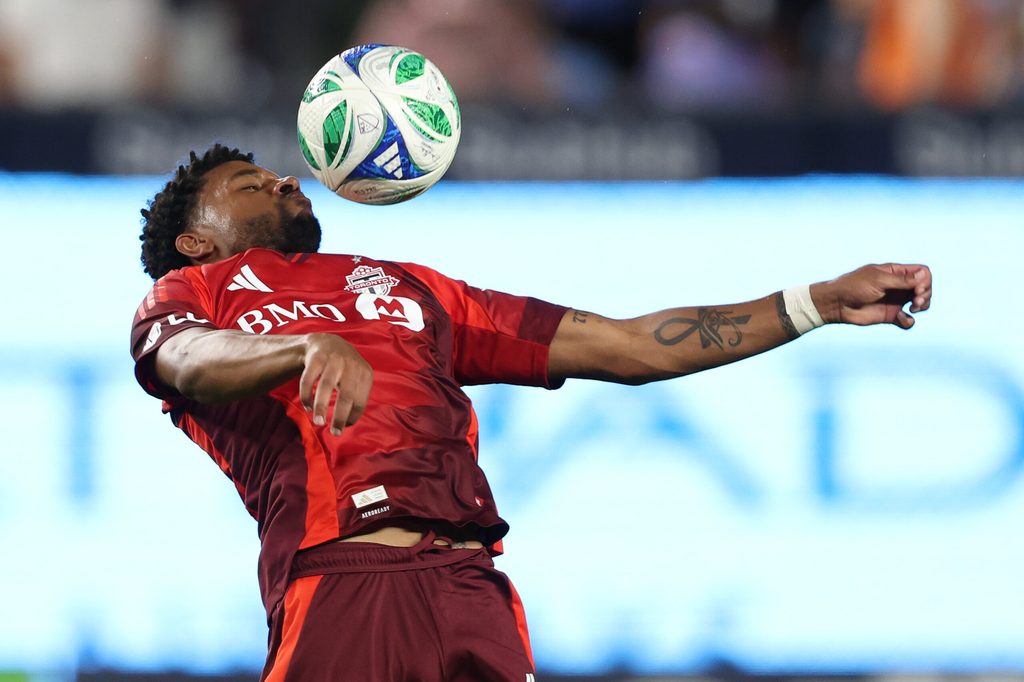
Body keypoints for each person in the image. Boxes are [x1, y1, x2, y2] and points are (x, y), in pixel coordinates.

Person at [131, 144, 932, 682]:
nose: (283, 180)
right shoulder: (193, 295)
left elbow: (630, 347)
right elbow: (184, 360)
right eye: (248, 184)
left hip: (469, 584)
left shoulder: (409, 287)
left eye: (275, 173)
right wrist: (300, 348)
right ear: (197, 242)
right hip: (346, 583)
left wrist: (816, 302)